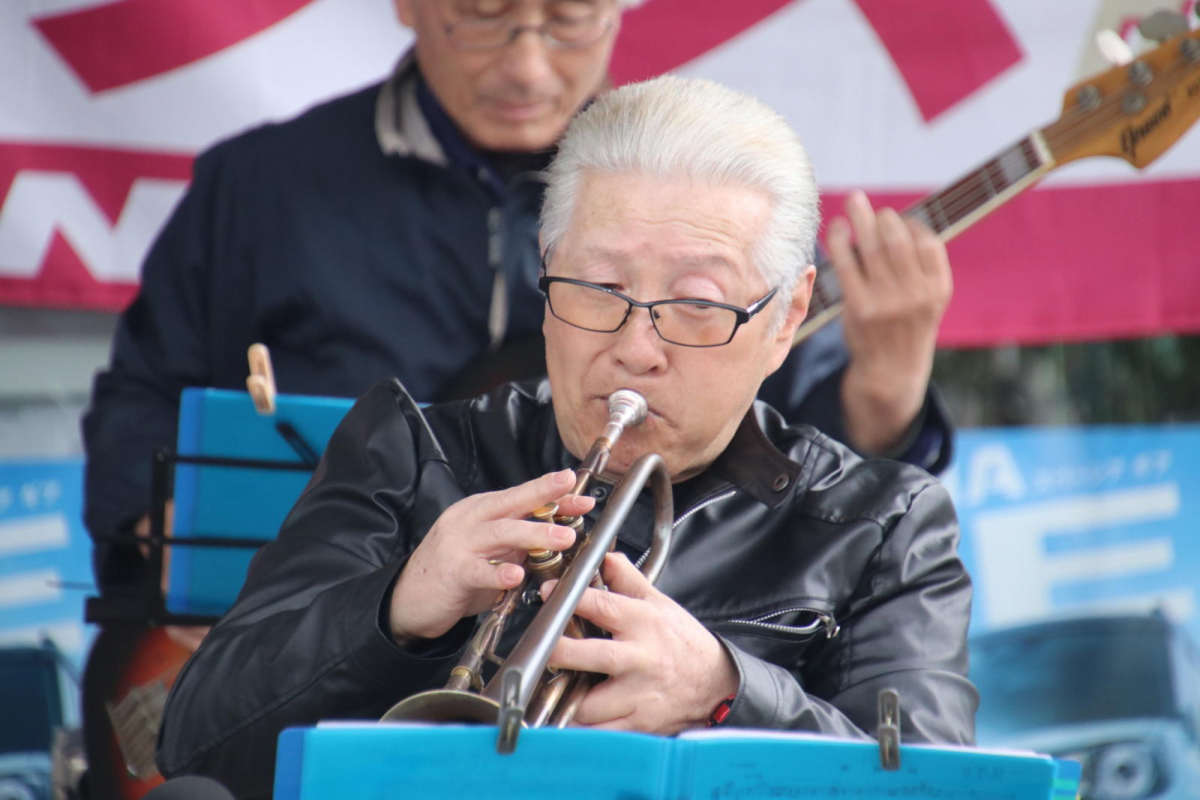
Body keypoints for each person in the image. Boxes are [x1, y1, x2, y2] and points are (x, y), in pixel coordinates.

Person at [156, 75, 976, 800]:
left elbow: (936, 782)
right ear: (547, 272)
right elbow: (197, 747)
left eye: (697, 304)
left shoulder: (884, 523)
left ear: (787, 317)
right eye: (597, 288)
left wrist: (729, 692)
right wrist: (398, 606)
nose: (635, 347)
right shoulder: (409, 456)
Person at [81, 0, 954, 604]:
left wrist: (884, 396)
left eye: (571, 21)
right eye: (484, 17)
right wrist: (184, 562)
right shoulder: (263, 186)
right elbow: (138, 403)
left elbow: (807, 488)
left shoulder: (708, 201)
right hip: (307, 626)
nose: (529, 64)